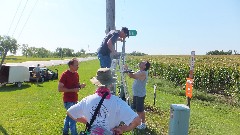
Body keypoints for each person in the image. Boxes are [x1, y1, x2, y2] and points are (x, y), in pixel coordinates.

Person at [67, 68, 141, 135]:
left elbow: (70, 112)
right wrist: (122, 128)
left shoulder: (87, 100)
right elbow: (137, 121)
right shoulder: (118, 102)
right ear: (111, 84)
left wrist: (89, 123)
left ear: (96, 83)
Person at [58, 58, 86, 135]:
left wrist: (80, 86)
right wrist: (73, 90)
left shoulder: (76, 74)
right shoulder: (65, 75)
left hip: (75, 99)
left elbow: (76, 86)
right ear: (71, 66)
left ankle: (65, 132)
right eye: (76, 65)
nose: (78, 67)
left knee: (69, 117)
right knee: (73, 120)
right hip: (68, 100)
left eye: (78, 65)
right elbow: (60, 89)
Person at [126, 61, 151, 129]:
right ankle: (138, 122)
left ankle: (143, 124)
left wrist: (127, 69)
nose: (140, 62)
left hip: (140, 94)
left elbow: (133, 76)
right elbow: (131, 75)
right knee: (137, 109)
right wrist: (127, 70)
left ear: (145, 66)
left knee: (140, 110)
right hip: (136, 93)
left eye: (142, 63)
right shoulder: (140, 71)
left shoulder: (143, 73)